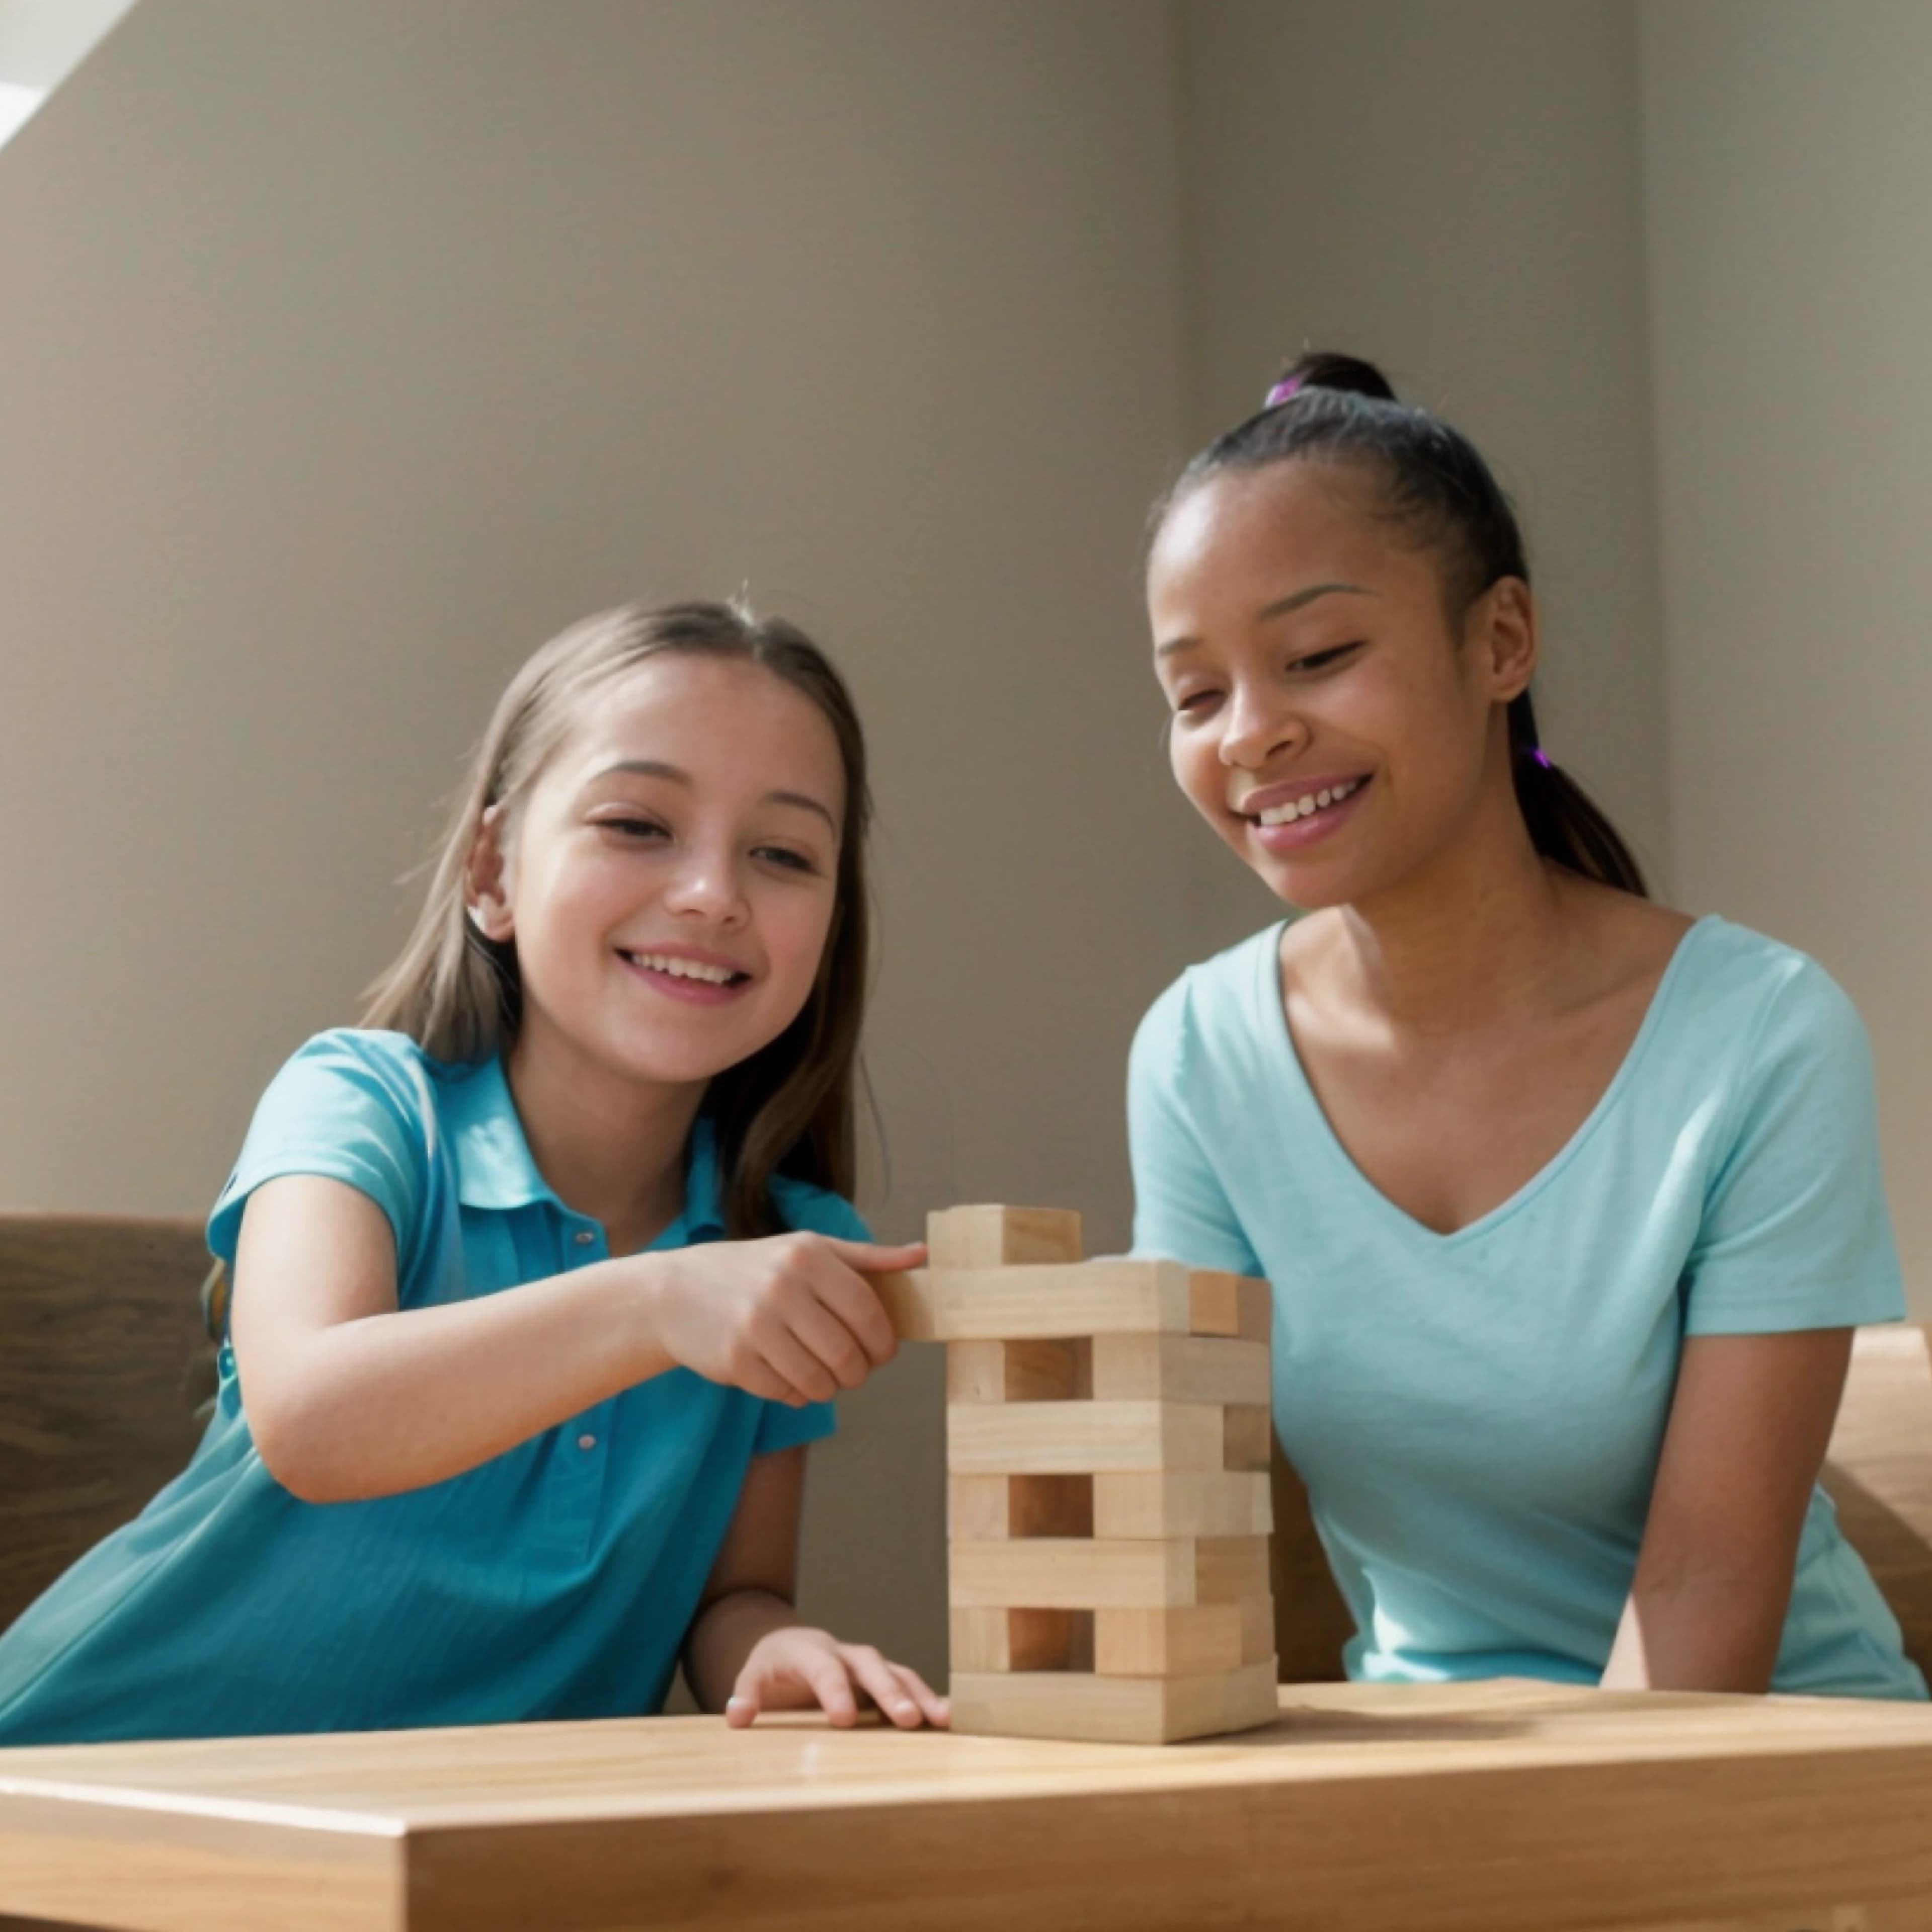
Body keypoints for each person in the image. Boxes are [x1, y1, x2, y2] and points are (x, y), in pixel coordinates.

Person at [0, 599, 950, 1742]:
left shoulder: (778, 1239)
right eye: (638, 824)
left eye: (784, 853)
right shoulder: (359, 1105)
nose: (712, 893)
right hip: (77, 1798)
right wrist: (657, 1301)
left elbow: (729, 1595)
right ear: (493, 869)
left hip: (447, 1861)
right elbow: (311, 1415)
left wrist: (778, 1647)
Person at [1131, 352, 1927, 1699]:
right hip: (1436, 1807)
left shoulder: (1765, 1038)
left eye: (1317, 657)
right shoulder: (1199, 1057)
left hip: (1763, 1787)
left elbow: (1705, 1592)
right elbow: (1168, 1516)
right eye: (1196, 694)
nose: (1250, 735)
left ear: (1502, 640)